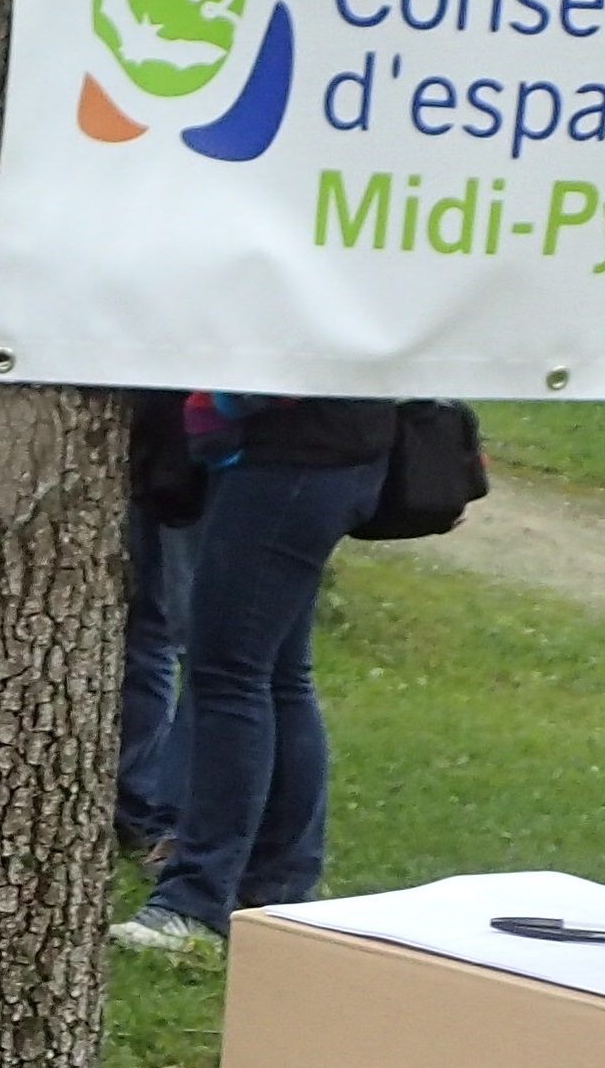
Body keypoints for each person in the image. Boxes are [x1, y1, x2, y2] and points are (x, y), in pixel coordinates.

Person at [108, 388, 400, 958]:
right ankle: (277, 885)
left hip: (287, 455)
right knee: (278, 674)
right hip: (328, 449)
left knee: (228, 675)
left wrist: (218, 403)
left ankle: (193, 902)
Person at [117, 389, 208, 861]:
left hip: (207, 452)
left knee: (203, 649)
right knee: (142, 634)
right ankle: (137, 802)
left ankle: (175, 819)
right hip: (152, 445)